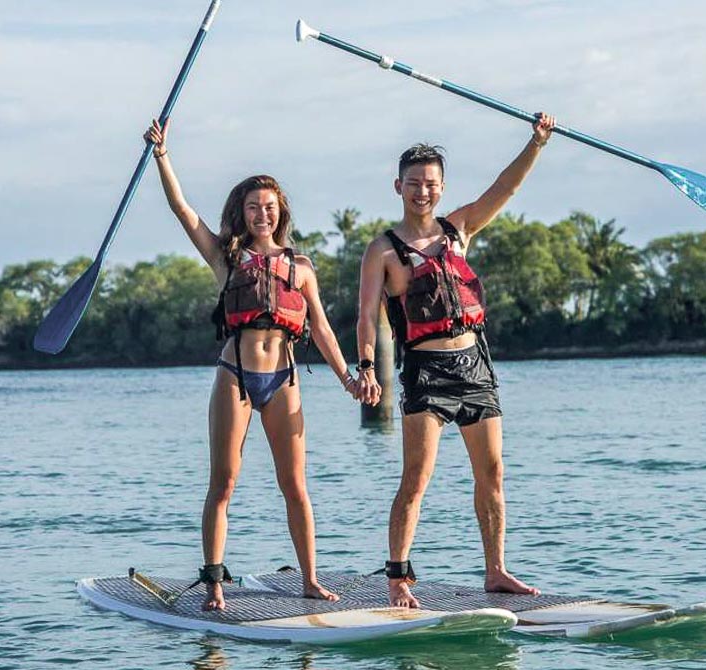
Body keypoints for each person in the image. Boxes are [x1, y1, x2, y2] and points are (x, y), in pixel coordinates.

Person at [146, 119, 377, 611]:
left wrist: (349, 378)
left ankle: (310, 579)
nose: (262, 215)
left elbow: (323, 330)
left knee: (295, 485)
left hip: (285, 379)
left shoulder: (301, 267)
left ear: (280, 212)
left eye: (269, 207)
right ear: (242, 213)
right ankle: (213, 583)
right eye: (253, 207)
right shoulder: (226, 258)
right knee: (223, 481)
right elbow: (183, 212)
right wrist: (163, 157)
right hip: (235, 377)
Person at [355, 113, 556, 608]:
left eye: (431, 184)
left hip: (475, 368)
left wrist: (537, 142)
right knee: (416, 479)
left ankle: (496, 571)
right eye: (414, 183)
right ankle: (399, 576)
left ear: (442, 187)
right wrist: (365, 366)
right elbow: (364, 317)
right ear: (398, 186)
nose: (423, 191)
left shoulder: (459, 228)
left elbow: (504, 189)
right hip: (426, 373)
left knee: (492, 474)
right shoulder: (382, 250)